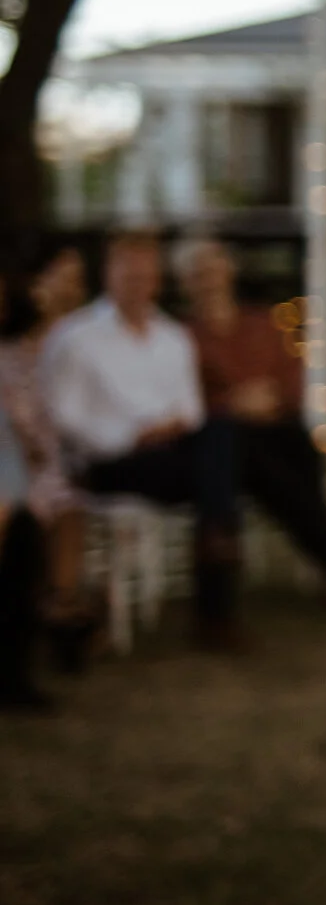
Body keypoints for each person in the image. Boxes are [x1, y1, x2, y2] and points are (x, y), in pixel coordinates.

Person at [40, 231, 243, 647]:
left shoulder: (173, 337)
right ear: (108, 274)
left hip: (171, 452)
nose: (138, 285)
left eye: (146, 276)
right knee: (228, 468)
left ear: (157, 280)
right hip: (108, 460)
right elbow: (64, 417)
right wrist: (131, 435)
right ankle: (217, 591)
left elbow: (191, 408)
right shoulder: (77, 338)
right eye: (129, 274)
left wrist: (170, 426)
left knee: (220, 438)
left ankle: (216, 569)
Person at [177, 238, 326, 607]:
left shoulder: (261, 323)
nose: (208, 280)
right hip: (225, 439)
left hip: (275, 425)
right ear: (186, 282)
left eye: (213, 269)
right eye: (198, 273)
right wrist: (231, 404)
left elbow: (291, 374)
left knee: (299, 451)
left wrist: (271, 399)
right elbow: (180, 398)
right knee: (268, 468)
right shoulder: (182, 337)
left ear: (229, 272)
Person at [0, 253, 99, 671]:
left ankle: (61, 608)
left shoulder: (24, 353)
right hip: (11, 468)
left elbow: (40, 421)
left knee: (66, 502)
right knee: (24, 511)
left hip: (29, 465)